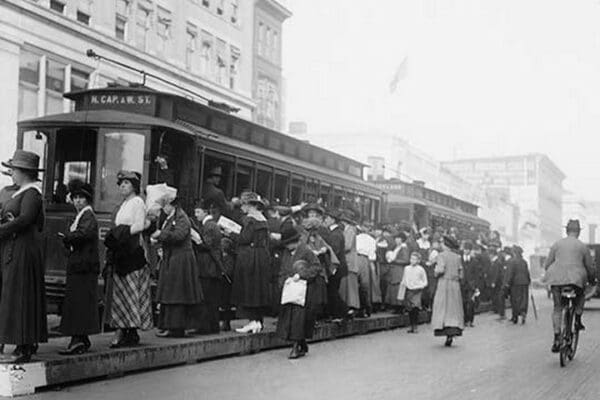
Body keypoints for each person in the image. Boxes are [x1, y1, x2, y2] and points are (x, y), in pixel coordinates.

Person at [0, 150, 47, 363]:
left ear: (24, 172)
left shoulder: (32, 194)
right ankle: (21, 343)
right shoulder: (21, 193)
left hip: (23, 250)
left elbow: (25, 219)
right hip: (15, 247)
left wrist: (4, 228)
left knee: (20, 294)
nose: (12, 174)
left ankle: (25, 345)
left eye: (14, 170)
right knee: (15, 294)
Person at [104, 171, 153, 348]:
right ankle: (128, 332)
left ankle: (126, 330)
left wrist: (120, 233)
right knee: (121, 292)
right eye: (121, 183)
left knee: (130, 292)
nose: (122, 186)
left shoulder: (137, 202)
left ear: (134, 186)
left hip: (133, 251)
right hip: (122, 250)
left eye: (126, 183)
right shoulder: (123, 204)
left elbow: (140, 226)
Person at [152, 193, 204, 337]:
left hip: (180, 259)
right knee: (172, 293)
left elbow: (179, 236)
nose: (164, 209)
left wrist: (159, 235)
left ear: (172, 205)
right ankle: (171, 326)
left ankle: (175, 327)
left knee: (175, 293)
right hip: (174, 258)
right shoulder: (174, 217)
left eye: (165, 206)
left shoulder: (182, 218)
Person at [58, 180, 100, 354]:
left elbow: (84, 234)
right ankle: (81, 339)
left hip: (84, 266)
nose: (77, 201)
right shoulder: (82, 215)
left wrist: (67, 237)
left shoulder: (88, 215)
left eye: (81, 198)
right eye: (75, 198)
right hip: (81, 265)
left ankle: (78, 339)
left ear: (87, 200)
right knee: (79, 302)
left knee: (79, 302)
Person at [544, 219, 596, 353]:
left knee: (557, 308)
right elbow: (590, 267)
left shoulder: (557, 244)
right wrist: (592, 280)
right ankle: (577, 319)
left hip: (556, 280)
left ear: (566, 230)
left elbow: (547, 264)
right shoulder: (582, 246)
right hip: (576, 280)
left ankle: (556, 337)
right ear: (578, 232)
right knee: (581, 296)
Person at [276, 226, 324, 359]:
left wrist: (302, 275)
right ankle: (301, 343)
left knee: (298, 318)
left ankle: (296, 346)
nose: (287, 246)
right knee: (290, 318)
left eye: (289, 243)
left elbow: (316, 266)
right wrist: (283, 280)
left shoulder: (306, 251)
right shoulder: (287, 253)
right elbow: (282, 269)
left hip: (303, 290)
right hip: (290, 289)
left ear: (295, 241)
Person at [232, 192, 272, 334]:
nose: (242, 207)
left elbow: (244, 238)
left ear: (250, 206)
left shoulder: (250, 219)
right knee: (257, 289)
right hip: (261, 256)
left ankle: (252, 321)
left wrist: (230, 233)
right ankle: (257, 321)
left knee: (248, 288)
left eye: (243, 204)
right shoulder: (263, 219)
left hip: (250, 256)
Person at [191, 199, 224, 335]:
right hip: (211, 267)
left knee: (206, 298)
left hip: (207, 267)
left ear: (205, 212)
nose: (196, 215)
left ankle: (205, 327)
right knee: (212, 299)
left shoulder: (209, 226)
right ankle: (212, 326)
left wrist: (195, 238)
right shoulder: (212, 225)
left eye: (198, 212)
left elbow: (206, 245)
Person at [431, 235, 464, 347]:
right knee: (454, 308)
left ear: (445, 245)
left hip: (444, 284)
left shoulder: (441, 256)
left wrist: (435, 272)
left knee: (442, 307)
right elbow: (461, 274)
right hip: (455, 285)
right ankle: (453, 331)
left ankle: (444, 329)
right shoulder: (457, 257)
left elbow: (440, 269)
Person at [322, 209, 348, 320]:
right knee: (333, 290)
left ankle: (341, 312)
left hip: (336, 266)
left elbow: (335, 250)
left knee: (332, 291)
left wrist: (324, 250)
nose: (325, 220)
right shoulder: (336, 232)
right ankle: (338, 312)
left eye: (327, 218)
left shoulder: (336, 234)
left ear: (333, 220)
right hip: (337, 266)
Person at [339, 209, 361, 318]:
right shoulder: (349, 230)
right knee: (347, 285)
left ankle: (353, 307)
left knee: (350, 285)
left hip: (350, 261)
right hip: (348, 261)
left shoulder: (350, 230)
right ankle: (349, 306)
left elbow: (347, 246)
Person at [400, 252, 428, 333]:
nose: (412, 261)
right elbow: (404, 279)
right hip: (409, 290)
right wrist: (402, 289)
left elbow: (425, 281)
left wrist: (421, 286)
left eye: (414, 259)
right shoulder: (406, 268)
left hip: (417, 291)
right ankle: (411, 325)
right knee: (409, 309)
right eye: (411, 259)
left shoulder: (421, 269)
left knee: (415, 307)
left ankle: (415, 326)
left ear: (418, 260)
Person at [504, 245, 531, 324]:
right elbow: (527, 272)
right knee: (523, 299)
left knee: (515, 300)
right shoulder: (524, 261)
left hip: (515, 284)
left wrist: (507, 283)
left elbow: (510, 273)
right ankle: (523, 312)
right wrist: (529, 281)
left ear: (514, 252)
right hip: (524, 283)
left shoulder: (512, 261)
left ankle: (515, 317)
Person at [385, 232, 410, 313]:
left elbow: (405, 260)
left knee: (399, 287)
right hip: (395, 269)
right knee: (394, 288)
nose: (396, 240)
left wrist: (394, 260)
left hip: (399, 269)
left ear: (401, 239)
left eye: (398, 238)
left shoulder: (404, 248)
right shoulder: (397, 247)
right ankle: (396, 306)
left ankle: (400, 306)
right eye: (396, 238)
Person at [461, 242, 482, 327]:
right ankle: (464, 320)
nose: (466, 251)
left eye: (468, 250)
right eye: (465, 249)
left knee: (471, 303)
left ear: (470, 250)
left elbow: (477, 275)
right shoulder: (459, 260)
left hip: (471, 285)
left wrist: (476, 286)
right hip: (462, 285)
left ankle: (470, 320)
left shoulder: (474, 261)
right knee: (463, 303)